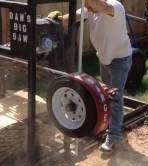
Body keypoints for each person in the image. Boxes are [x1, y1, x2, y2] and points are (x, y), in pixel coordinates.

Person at [48, 0, 132, 152]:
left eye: (88, 3)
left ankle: (113, 137)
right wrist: (57, 19)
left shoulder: (115, 6)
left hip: (120, 60)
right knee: (108, 96)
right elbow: (72, 17)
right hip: (104, 59)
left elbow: (103, 6)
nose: (86, 7)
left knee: (115, 99)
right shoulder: (90, 9)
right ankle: (115, 125)